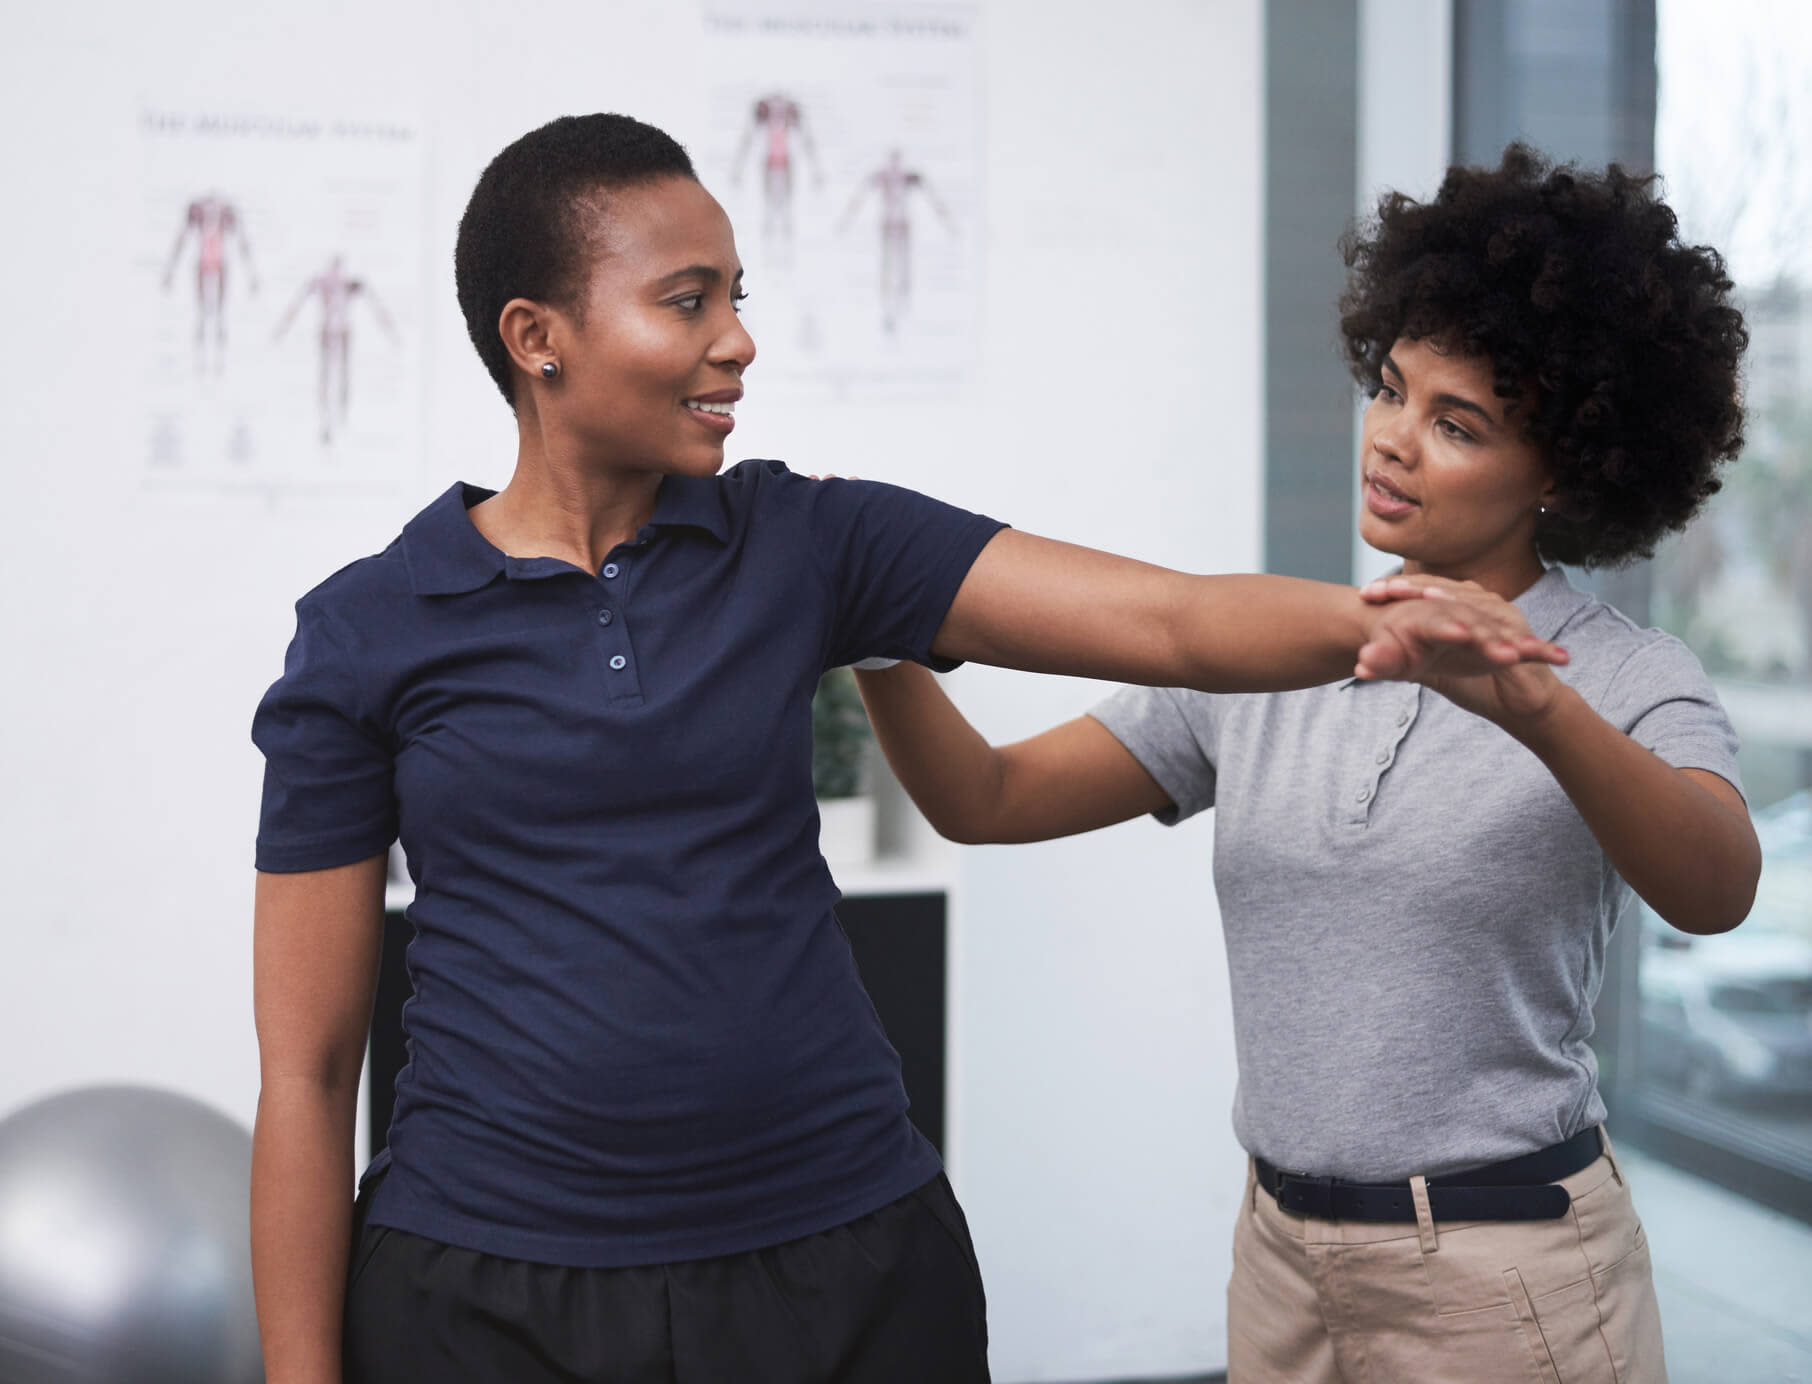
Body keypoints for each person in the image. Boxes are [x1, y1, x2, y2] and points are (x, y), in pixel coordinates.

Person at [247, 115, 1562, 1384]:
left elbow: (1165, 619)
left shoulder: (809, 541)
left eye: (736, 297)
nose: (740, 342)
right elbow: (307, 1074)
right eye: (689, 302)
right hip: (488, 1290)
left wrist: (1375, 621)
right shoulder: (370, 630)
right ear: (537, 339)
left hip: (842, 1266)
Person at [854, 144, 1759, 1383]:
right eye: (1391, 389)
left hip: (1508, 1278)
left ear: (1561, 469)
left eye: (1457, 424)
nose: (1392, 439)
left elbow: (1716, 887)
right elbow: (986, 798)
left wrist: (1538, 714)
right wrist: (879, 636)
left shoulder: (1621, 675)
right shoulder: (1268, 661)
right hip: (1283, 1260)